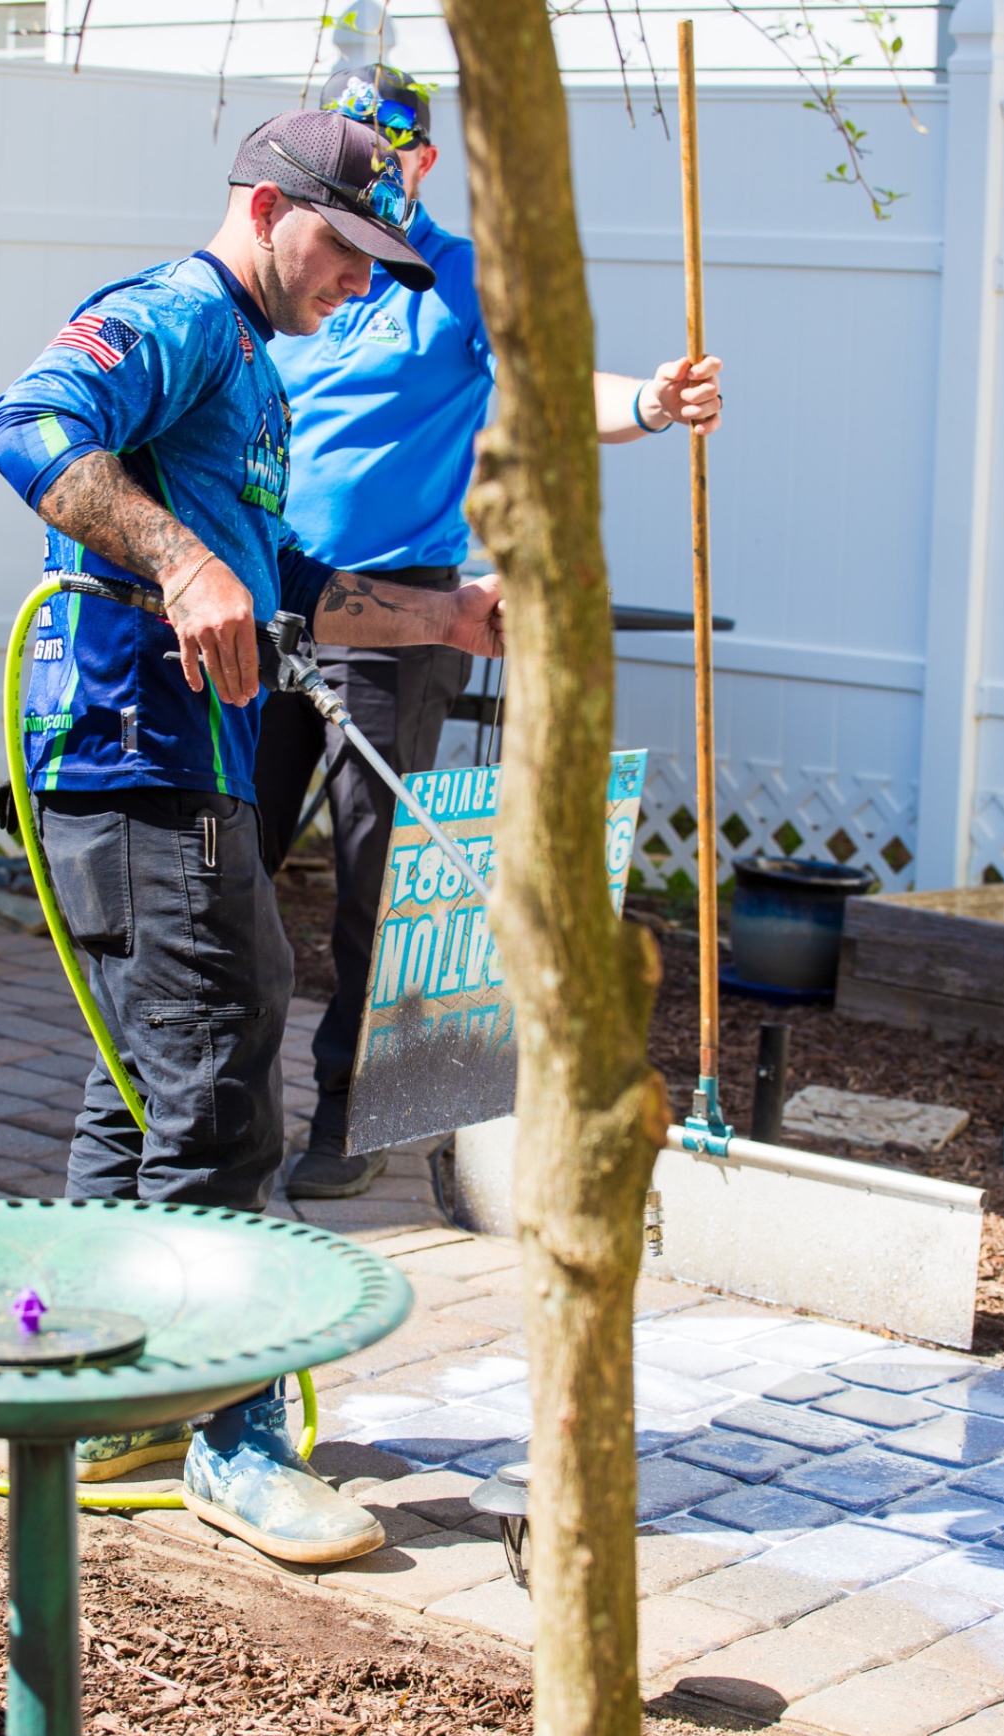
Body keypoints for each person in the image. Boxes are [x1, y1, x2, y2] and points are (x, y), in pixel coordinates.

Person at [0, 109, 502, 1564]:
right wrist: (180, 553)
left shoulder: (257, 378)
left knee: (145, 1077)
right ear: (270, 208)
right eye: (342, 246)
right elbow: (24, 427)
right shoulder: (171, 319)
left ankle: (105, 1379)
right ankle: (228, 1434)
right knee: (223, 1057)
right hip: (142, 770)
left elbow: (289, 596)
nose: (356, 279)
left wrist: (439, 616)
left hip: (180, 777)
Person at [256, 63, 724, 1200]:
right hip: (269, 596)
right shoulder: (290, 283)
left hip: (399, 613)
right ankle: (220, 1107)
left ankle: (348, 1126)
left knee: (374, 885)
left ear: (424, 159)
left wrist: (656, 402)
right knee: (235, 868)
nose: (380, 169)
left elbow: (558, 384)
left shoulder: (457, 279)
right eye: (356, 148)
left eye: (397, 151)